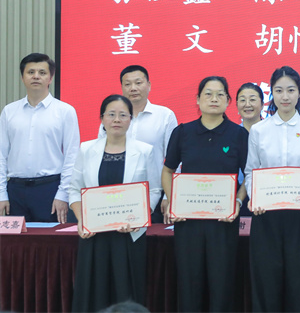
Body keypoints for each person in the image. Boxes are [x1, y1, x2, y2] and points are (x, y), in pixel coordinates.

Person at [161, 76, 248, 312]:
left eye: (220, 94)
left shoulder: (239, 135)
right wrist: (173, 202)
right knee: (189, 285)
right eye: (208, 94)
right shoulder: (183, 132)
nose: (214, 99)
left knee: (222, 284)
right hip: (188, 222)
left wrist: (238, 201)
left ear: (228, 101)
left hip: (223, 222)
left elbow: (249, 175)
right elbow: (167, 171)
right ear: (198, 99)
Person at [69, 95, 162, 311]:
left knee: (126, 291)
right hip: (94, 234)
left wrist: (140, 217)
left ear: (131, 119)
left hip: (129, 233)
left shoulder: (145, 150)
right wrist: (82, 220)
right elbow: (74, 190)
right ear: (102, 118)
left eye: (123, 115)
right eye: (111, 114)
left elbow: (155, 189)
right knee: (93, 291)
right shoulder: (86, 149)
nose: (117, 120)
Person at [245, 67, 300, 312]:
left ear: (299, 93)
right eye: (279, 91)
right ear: (272, 94)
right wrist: (254, 198)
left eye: (291, 90)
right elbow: (251, 171)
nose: (285, 96)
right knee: (266, 284)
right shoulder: (259, 130)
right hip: (266, 217)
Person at [0, 53, 80, 223]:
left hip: (50, 189)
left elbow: (72, 156)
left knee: (50, 237)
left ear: (50, 78)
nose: (36, 76)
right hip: (15, 190)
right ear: (22, 77)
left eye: (42, 73)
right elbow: (1, 154)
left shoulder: (65, 111)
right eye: (31, 72)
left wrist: (63, 194)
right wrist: (2, 194)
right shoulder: (9, 111)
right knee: (15, 239)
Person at [98, 65, 178, 223]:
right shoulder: (112, 118)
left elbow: (175, 160)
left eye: (138, 83)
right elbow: (100, 155)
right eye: (127, 84)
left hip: (154, 192)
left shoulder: (165, 115)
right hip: (116, 193)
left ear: (149, 85)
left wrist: (169, 196)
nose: (133, 88)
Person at [236, 82, 265, 217]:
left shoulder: (272, 133)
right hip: (235, 197)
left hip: (266, 193)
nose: (247, 104)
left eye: (252, 100)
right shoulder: (232, 134)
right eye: (242, 100)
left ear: (262, 104)